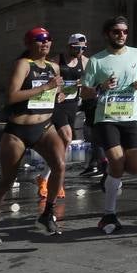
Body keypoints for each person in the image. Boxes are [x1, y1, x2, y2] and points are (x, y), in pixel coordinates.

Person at [0, 27, 67, 244]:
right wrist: (46, 87)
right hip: (18, 131)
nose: (45, 43)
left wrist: (59, 94)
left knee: (60, 165)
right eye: (40, 39)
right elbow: (12, 96)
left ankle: (47, 213)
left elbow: (54, 91)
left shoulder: (54, 67)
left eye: (48, 39)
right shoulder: (23, 65)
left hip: (45, 127)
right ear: (29, 44)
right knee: (7, 180)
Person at [81, 16, 137, 234]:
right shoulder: (96, 61)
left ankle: (110, 177)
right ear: (107, 34)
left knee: (136, 166)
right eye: (116, 32)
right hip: (107, 117)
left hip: (132, 115)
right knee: (118, 162)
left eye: (125, 32)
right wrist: (101, 86)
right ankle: (109, 213)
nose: (121, 35)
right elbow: (85, 92)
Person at [51, 33, 88, 179]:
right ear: (69, 46)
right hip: (58, 103)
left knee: (64, 141)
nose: (80, 51)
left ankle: (49, 174)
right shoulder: (57, 61)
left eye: (83, 48)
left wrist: (83, 82)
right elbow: (48, 80)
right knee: (67, 137)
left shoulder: (84, 61)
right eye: (77, 48)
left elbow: (90, 79)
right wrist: (58, 91)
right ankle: (57, 171)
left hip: (73, 104)